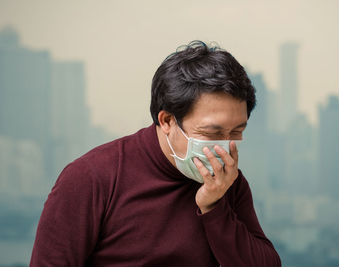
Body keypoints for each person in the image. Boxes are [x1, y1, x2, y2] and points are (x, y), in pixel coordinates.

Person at [30, 40, 281, 266]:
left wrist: (214, 206)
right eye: (212, 133)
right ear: (167, 121)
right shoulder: (91, 178)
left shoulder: (226, 180)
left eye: (236, 132)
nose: (224, 147)